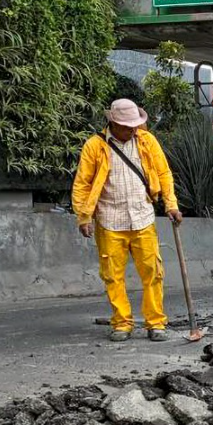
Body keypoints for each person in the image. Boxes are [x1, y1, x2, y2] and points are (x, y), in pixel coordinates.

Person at [72, 98, 183, 342]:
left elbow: (164, 173)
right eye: (127, 126)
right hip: (109, 219)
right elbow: (82, 183)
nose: (133, 129)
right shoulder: (95, 146)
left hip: (142, 216)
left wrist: (171, 204)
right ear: (112, 122)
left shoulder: (147, 141)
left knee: (153, 272)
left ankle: (156, 323)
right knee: (113, 275)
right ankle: (122, 323)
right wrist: (84, 216)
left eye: (135, 125)